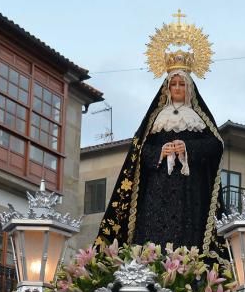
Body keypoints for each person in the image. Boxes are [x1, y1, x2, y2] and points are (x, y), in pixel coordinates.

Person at [96, 64, 224, 253]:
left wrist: (188, 148)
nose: (178, 88)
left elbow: (216, 145)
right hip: (157, 188)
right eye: (174, 84)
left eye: (182, 84)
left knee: (188, 232)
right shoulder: (156, 117)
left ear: (189, 88)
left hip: (190, 190)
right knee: (154, 230)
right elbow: (139, 150)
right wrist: (160, 152)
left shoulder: (199, 118)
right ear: (168, 88)